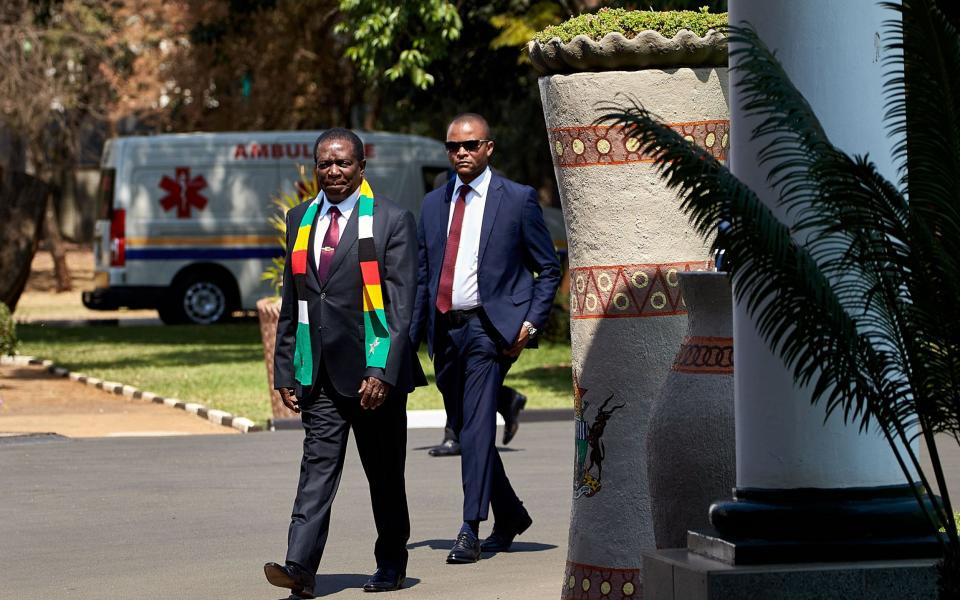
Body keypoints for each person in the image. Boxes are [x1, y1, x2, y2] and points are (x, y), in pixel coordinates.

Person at [265, 128, 424, 597]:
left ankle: (392, 562)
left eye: (343, 163)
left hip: (373, 378)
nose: (333, 172)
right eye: (325, 164)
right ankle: (300, 568)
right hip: (319, 376)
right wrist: (285, 368)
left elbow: (401, 307)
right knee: (315, 471)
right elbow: (293, 299)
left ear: (361, 166)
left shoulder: (393, 220)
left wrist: (382, 372)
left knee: (384, 476)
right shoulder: (300, 219)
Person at [411, 113, 561, 563]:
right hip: (445, 330)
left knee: (475, 429)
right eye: (453, 146)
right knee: (469, 428)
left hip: (490, 330)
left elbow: (548, 268)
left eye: (471, 145)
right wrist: (413, 333)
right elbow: (423, 273)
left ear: (488, 148)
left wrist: (530, 323)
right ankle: (511, 514)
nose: (461, 152)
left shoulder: (517, 199)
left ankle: (469, 527)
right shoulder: (433, 204)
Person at [425, 168, 529, 458]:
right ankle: (506, 400)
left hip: (489, 318)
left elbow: (539, 266)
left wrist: (529, 324)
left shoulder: (507, 196)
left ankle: (458, 436)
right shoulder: (438, 194)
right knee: (449, 380)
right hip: (447, 315)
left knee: (474, 387)